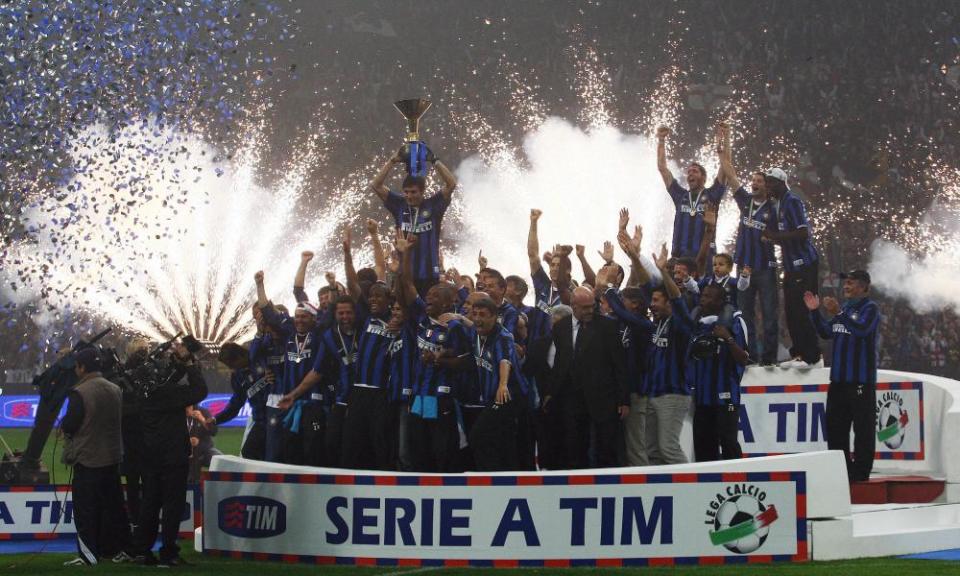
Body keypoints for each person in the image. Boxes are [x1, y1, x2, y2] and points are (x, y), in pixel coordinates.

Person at [606, 244, 693, 465]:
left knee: (668, 448)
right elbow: (645, 285)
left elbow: (677, 299)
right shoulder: (656, 325)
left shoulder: (680, 325)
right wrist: (634, 257)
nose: (651, 305)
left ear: (668, 304)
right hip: (654, 394)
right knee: (653, 451)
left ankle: (692, 490)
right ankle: (662, 490)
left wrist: (664, 271)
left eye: (656, 301)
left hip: (673, 394)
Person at [128, 342, 208, 567]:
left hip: (150, 456)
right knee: (172, 504)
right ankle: (169, 552)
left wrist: (179, 366)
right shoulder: (167, 394)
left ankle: (143, 551)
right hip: (172, 455)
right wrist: (190, 363)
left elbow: (166, 380)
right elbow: (200, 390)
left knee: (150, 503)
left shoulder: (142, 392)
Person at [805, 270, 880, 482]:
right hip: (838, 381)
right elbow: (827, 332)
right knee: (835, 428)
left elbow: (862, 330)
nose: (846, 286)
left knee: (863, 430)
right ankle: (842, 470)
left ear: (864, 287)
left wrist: (838, 313)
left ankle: (861, 473)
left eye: (851, 283)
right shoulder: (845, 308)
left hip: (860, 381)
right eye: (845, 283)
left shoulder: (870, 309)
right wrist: (814, 312)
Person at [60, 348, 129, 566]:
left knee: (85, 509)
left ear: (81, 367)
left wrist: (63, 427)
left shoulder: (80, 391)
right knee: (115, 507)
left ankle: (89, 555)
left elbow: (71, 423)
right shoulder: (115, 388)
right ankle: (125, 549)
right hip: (112, 455)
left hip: (88, 457)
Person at [551, 284, 628, 469]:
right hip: (572, 398)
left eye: (592, 306)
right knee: (575, 447)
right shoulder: (561, 327)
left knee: (606, 448)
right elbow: (559, 362)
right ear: (573, 306)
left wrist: (624, 400)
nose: (590, 311)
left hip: (604, 397)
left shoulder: (607, 326)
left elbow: (619, 364)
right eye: (584, 307)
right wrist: (551, 393)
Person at [256, 272, 327, 466]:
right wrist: (259, 284)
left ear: (313, 319)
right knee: (290, 451)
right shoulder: (290, 333)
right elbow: (268, 312)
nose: (300, 320)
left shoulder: (320, 336)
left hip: (313, 403)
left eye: (304, 317)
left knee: (311, 452)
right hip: (289, 403)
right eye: (297, 317)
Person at [369, 145, 458, 296]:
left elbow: (451, 184)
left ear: (422, 191)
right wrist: (392, 161)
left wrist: (435, 161)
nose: (409, 196)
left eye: (414, 192)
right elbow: (375, 185)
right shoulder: (399, 205)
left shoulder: (433, 205)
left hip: (430, 275)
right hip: (404, 274)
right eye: (406, 192)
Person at [763, 168, 822, 369]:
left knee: (802, 310)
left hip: (804, 263)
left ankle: (813, 356)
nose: (768, 187)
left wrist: (774, 237)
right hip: (790, 265)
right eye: (767, 183)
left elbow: (802, 233)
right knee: (790, 311)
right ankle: (799, 353)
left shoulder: (792, 201)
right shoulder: (776, 204)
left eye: (771, 183)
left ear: (782, 182)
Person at [463, 296, 529, 471]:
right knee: (503, 440)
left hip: (509, 394)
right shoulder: (474, 333)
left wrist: (503, 384)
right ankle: (505, 477)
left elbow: (504, 361)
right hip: (492, 395)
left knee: (478, 436)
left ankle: (488, 476)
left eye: (482, 315)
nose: (477, 318)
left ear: (494, 317)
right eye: (474, 314)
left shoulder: (503, 336)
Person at [687, 284, 750, 461]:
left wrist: (728, 339)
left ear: (720, 301)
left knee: (729, 443)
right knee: (702, 447)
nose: (703, 299)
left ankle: (736, 482)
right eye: (702, 295)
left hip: (727, 398)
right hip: (702, 399)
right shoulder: (696, 323)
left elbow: (744, 359)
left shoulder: (734, 321)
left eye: (708, 296)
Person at [656, 125, 727, 258]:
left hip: (704, 260)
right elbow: (662, 168)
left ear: (704, 177)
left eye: (695, 171)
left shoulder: (713, 194)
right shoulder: (680, 195)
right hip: (679, 259)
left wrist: (722, 142)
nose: (690, 174)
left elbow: (725, 167)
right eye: (688, 172)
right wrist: (661, 140)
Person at [522, 304, 573, 470]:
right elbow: (527, 370)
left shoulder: (578, 344)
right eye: (554, 323)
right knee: (546, 446)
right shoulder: (539, 344)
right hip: (543, 407)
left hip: (570, 406)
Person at [206, 343, 268, 460]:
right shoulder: (238, 376)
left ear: (241, 356)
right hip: (261, 421)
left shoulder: (261, 361)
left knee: (273, 456)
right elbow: (236, 403)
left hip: (278, 417)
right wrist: (216, 419)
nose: (231, 368)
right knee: (249, 453)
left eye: (231, 364)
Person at [187, 405, 221, 484]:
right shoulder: (175, 414)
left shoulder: (203, 411)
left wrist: (202, 419)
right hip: (186, 453)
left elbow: (214, 431)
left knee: (221, 462)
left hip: (205, 450)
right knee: (191, 480)